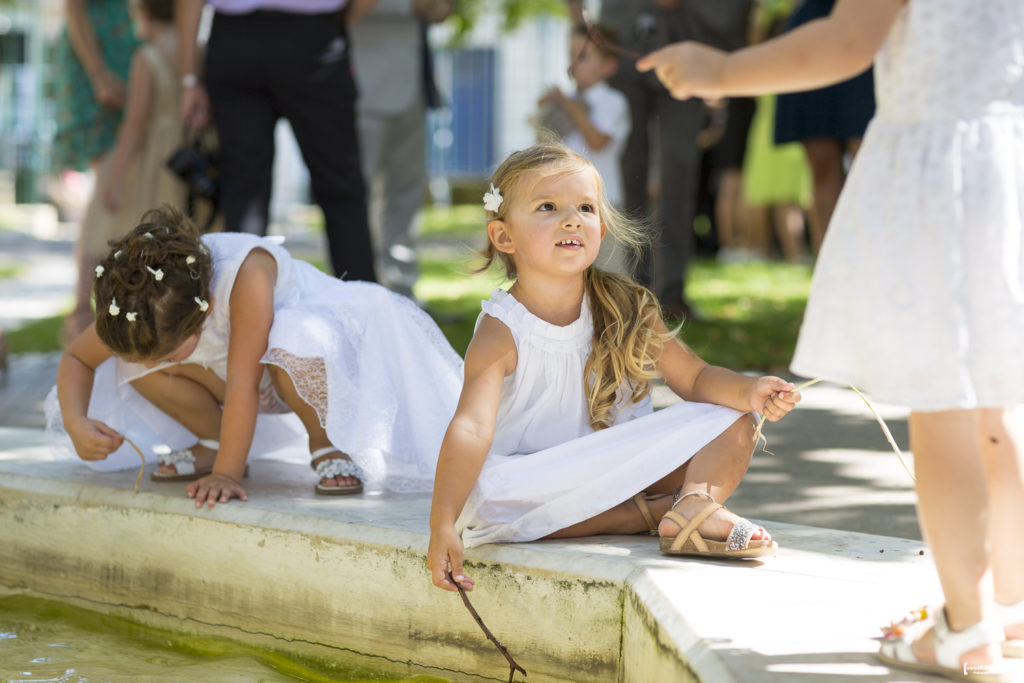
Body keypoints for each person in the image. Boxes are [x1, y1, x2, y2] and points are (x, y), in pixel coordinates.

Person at [638, 0, 1024, 678]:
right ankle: (1011, 604)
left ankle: (967, 626)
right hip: (1009, 165)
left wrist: (723, 70)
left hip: (945, 174)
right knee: (1001, 402)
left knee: (944, 408)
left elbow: (848, 39)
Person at [426, 143, 801, 593]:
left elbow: (696, 379)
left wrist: (750, 390)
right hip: (540, 478)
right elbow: (471, 428)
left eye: (585, 208)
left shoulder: (627, 305)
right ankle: (656, 513)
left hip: (620, 464)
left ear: (600, 230)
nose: (571, 219)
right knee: (487, 501)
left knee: (734, 416)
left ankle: (693, 503)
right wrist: (442, 523)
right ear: (504, 236)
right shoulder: (502, 329)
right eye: (548, 207)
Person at [49, 205, 463, 507]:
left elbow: (244, 384)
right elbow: (77, 360)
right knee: (130, 361)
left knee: (293, 335)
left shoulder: (244, 276)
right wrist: (75, 422)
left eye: (167, 354)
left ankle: (326, 444)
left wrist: (226, 476)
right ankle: (212, 440)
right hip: (234, 374)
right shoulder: (141, 307)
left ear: (205, 312)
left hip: (301, 367)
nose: (157, 365)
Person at [175, 0, 376, 282]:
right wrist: (336, 22)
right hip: (312, 37)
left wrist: (189, 79)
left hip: (236, 41)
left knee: (244, 190)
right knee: (340, 188)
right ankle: (363, 313)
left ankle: (240, 311)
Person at [52, 0, 139, 342]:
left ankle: (98, 308)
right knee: (106, 186)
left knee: (119, 186)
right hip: (97, 62)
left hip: (127, 55)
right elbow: (74, 8)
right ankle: (81, 313)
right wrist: (99, 74)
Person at [351, 0, 450, 302]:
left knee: (406, 194)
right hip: (366, 87)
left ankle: (402, 295)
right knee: (358, 195)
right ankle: (355, 289)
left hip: (413, 86)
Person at [771, 0, 873, 255]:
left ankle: (872, 260)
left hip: (868, 26)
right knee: (821, 162)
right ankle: (830, 263)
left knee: (869, 159)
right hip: (813, 27)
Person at [534, 23, 631, 273]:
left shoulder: (613, 101)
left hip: (603, 202)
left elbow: (597, 142)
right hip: (563, 201)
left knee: (608, 272)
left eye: (583, 56)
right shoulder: (565, 102)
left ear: (608, 66)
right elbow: (543, 149)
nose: (574, 63)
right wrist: (545, 115)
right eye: (571, 55)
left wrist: (567, 104)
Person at [97, 0, 186, 244]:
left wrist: (115, 177)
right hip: (189, 149)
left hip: (157, 158)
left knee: (154, 235)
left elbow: (135, 122)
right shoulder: (194, 47)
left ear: (143, 10)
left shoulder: (147, 57)